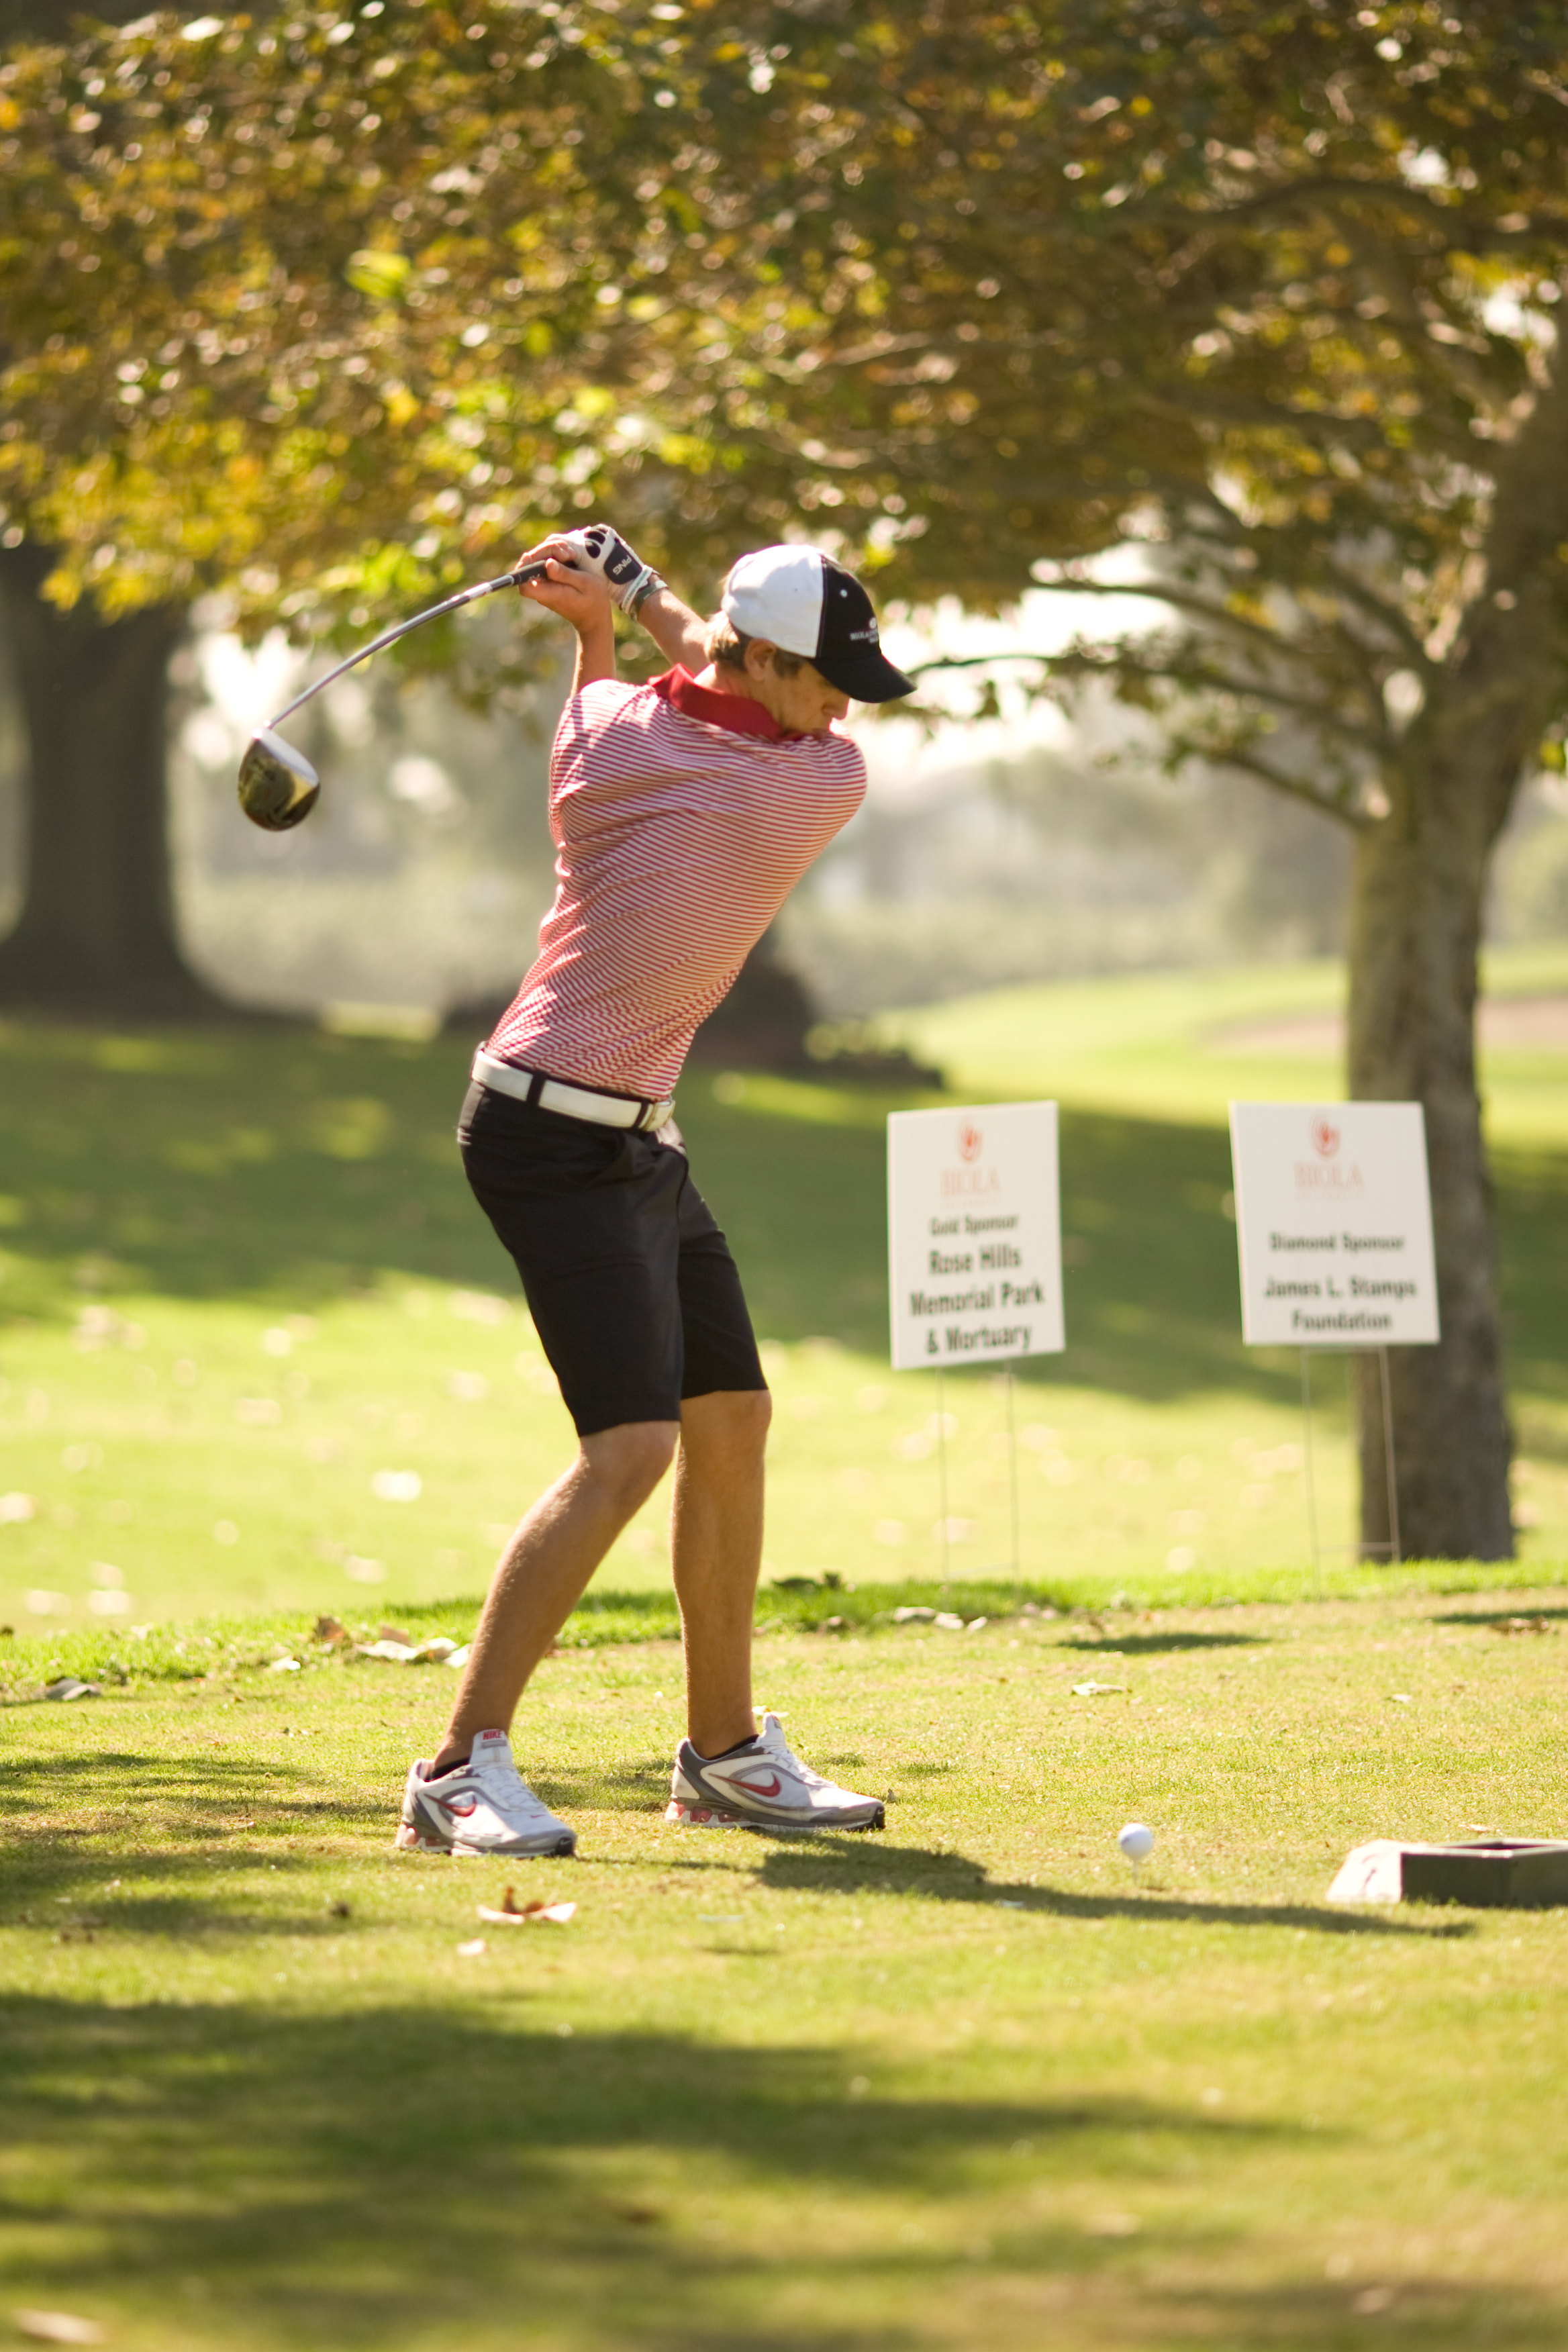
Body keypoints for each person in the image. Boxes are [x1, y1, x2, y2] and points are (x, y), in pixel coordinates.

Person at [397, 525, 915, 1859]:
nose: (847, 707)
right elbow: (717, 667)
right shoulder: (815, 783)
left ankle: (726, 1753)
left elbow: (691, 674)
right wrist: (637, 597)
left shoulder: (603, 737)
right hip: (544, 1134)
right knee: (631, 1449)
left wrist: (602, 619)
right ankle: (457, 1767)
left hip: (635, 1134)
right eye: (830, 677)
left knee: (730, 1413)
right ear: (767, 664)